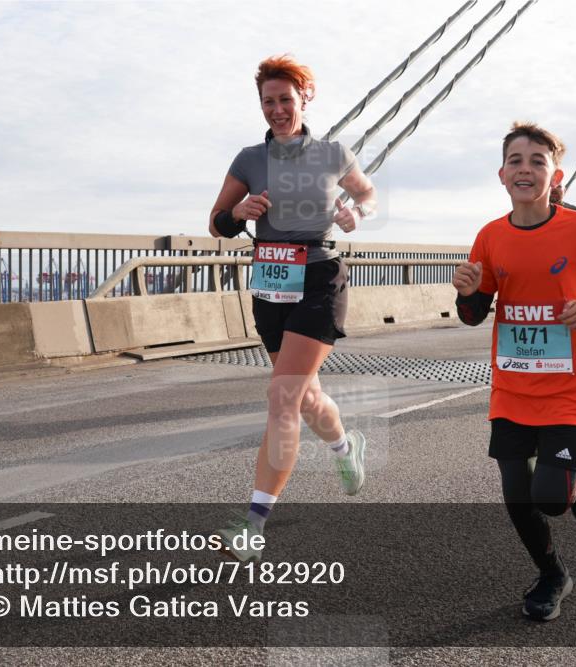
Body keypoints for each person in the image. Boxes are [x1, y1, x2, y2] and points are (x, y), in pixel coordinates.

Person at [453, 122, 576, 621]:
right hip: (512, 384)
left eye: (538, 160)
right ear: (502, 174)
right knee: (517, 495)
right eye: (516, 160)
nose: (526, 168)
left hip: (569, 384)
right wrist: (467, 290)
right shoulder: (489, 236)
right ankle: (552, 574)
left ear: (556, 176)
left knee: (556, 501)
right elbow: (474, 313)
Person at [208, 55, 377, 562]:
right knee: (304, 399)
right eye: (269, 102)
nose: (278, 109)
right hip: (269, 284)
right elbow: (217, 222)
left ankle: (253, 525)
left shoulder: (333, 153)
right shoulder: (248, 160)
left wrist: (356, 213)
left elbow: (367, 195)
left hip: (321, 279)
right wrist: (238, 214)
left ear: (306, 98)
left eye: (286, 99)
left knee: (282, 397)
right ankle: (347, 448)